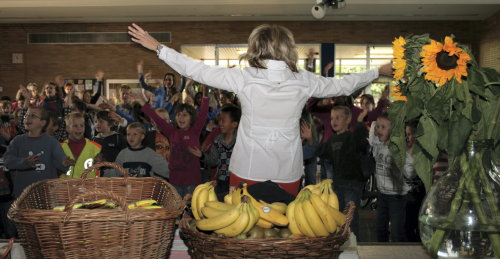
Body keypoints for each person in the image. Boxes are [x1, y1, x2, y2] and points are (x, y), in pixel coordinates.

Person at [128, 23, 392, 196]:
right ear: (288, 48)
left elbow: (196, 69)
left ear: (256, 48)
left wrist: (159, 47)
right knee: (280, 236)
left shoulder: (243, 77)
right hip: (287, 171)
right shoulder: (303, 79)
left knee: (244, 238)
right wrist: (376, 71)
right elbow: (343, 85)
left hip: (246, 170)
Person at [130, 88, 209, 197]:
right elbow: (155, 117)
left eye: (185, 115)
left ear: (192, 118)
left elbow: (204, 112)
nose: (181, 117)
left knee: (190, 211)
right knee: (175, 211)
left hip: (192, 182)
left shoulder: (195, 131)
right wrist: (141, 101)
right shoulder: (172, 132)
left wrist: (205, 89)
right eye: (178, 114)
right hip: (174, 182)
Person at [316, 106, 369, 238]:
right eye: (332, 118)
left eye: (338, 117)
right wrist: (311, 139)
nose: (334, 121)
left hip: (352, 184)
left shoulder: (352, 137)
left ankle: (354, 242)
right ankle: (341, 242)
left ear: (348, 119)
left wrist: (360, 123)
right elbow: (321, 152)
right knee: (339, 216)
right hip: (338, 184)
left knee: (351, 218)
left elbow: (361, 143)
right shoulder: (332, 140)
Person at [4, 106, 70, 198]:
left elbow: (63, 166)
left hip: (46, 194)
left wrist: (65, 163)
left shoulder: (52, 142)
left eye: (33, 116)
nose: (27, 117)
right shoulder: (17, 141)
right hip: (23, 194)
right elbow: (7, 161)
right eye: (26, 115)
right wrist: (25, 162)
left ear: (42, 123)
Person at [369, 115, 416, 242]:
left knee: (396, 232)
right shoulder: (378, 145)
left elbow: (410, 173)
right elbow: (372, 132)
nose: (378, 130)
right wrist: (376, 125)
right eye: (378, 127)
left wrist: (409, 155)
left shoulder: (399, 149)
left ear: (394, 130)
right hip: (382, 195)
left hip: (397, 197)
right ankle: (383, 254)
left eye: (383, 127)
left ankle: (399, 256)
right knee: (380, 229)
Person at [193, 103, 241, 200]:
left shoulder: (240, 141)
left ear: (234, 124)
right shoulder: (217, 140)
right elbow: (213, 161)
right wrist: (202, 156)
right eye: (220, 120)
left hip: (237, 182)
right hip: (221, 182)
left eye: (223, 120)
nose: (220, 123)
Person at [59, 112, 102, 178]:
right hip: (66, 187)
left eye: (82, 125)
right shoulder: (59, 148)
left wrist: (98, 163)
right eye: (75, 126)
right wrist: (62, 167)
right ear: (67, 128)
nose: (79, 128)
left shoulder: (95, 147)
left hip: (88, 187)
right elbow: (53, 172)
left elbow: (100, 170)